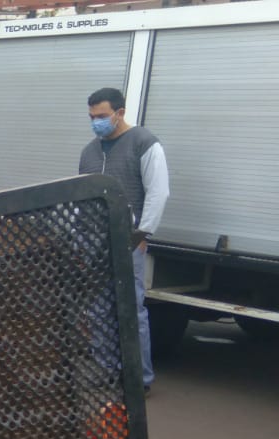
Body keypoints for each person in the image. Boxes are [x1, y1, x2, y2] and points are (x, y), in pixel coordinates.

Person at [77, 87, 170, 393]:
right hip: (94, 241)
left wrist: (142, 235)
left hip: (128, 241)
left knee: (130, 309)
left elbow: (158, 192)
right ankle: (107, 371)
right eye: (91, 117)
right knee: (98, 311)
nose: (96, 122)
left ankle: (138, 378)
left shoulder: (143, 142)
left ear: (119, 113)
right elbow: (83, 197)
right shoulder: (90, 151)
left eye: (102, 116)